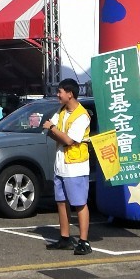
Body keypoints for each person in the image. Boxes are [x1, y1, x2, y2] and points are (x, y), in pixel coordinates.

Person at [42, 78, 92, 256]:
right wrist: (55, 131)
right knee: (61, 202)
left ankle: (84, 241)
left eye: (60, 92)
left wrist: (54, 129)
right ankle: (65, 238)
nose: (58, 95)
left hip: (76, 166)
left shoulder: (82, 115)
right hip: (61, 164)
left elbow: (69, 139)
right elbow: (53, 133)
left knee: (79, 203)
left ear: (70, 94)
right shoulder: (61, 111)